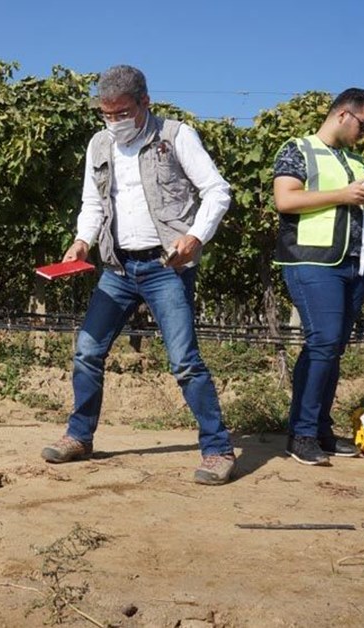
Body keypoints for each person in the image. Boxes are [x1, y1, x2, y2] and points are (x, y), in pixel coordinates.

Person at [41, 65, 236, 485]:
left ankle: (218, 449)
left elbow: (217, 190)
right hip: (117, 268)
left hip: (166, 267)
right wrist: (81, 242)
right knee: (87, 351)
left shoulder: (176, 136)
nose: (115, 122)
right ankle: (79, 436)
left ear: (145, 102)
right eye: (106, 114)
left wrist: (196, 236)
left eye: (122, 112)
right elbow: (93, 204)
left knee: (184, 362)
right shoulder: (99, 146)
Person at [272, 88, 364, 466]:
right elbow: (286, 200)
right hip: (312, 261)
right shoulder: (298, 149)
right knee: (323, 342)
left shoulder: (357, 161)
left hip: (354, 265)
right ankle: (303, 434)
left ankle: (319, 430)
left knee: (331, 349)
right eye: (363, 123)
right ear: (344, 114)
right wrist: (342, 195)